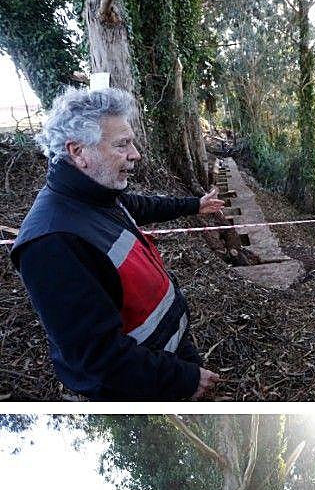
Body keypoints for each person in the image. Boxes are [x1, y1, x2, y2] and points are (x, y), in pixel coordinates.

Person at [10, 86, 224, 400]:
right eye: (122, 144)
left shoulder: (98, 194)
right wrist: (182, 379)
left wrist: (195, 205)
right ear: (78, 151)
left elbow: (139, 206)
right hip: (139, 389)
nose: (135, 153)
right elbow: (100, 356)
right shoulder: (51, 242)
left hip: (167, 356)